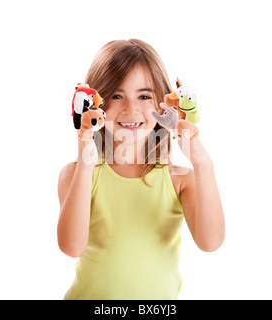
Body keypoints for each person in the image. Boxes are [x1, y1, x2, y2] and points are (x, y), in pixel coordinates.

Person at [57, 39, 225, 300]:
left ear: (164, 103)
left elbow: (211, 242)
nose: (131, 109)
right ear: (95, 104)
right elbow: (71, 247)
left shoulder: (180, 180)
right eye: (116, 95)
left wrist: (202, 162)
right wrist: (85, 161)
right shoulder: (77, 174)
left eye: (144, 96)